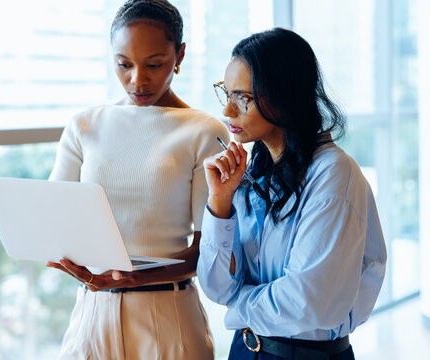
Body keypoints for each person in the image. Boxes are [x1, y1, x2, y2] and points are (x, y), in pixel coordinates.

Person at [46, 1, 229, 359]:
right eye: (124, 64)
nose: (137, 80)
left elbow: (211, 252)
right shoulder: (85, 126)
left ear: (180, 55)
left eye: (154, 64)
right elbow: (52, 219)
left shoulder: (203, 131)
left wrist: (137, 277)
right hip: (91, 313)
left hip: (167, 313)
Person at [197, 28, 387, 360]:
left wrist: (238, 306)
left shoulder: (334, 175)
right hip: (244, 348)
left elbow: (308, 303)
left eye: (244, 97)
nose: (228, 111)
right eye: (226, 94)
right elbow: (217, 287)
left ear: (285, 94)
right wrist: (220, 202)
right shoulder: (250, 172)